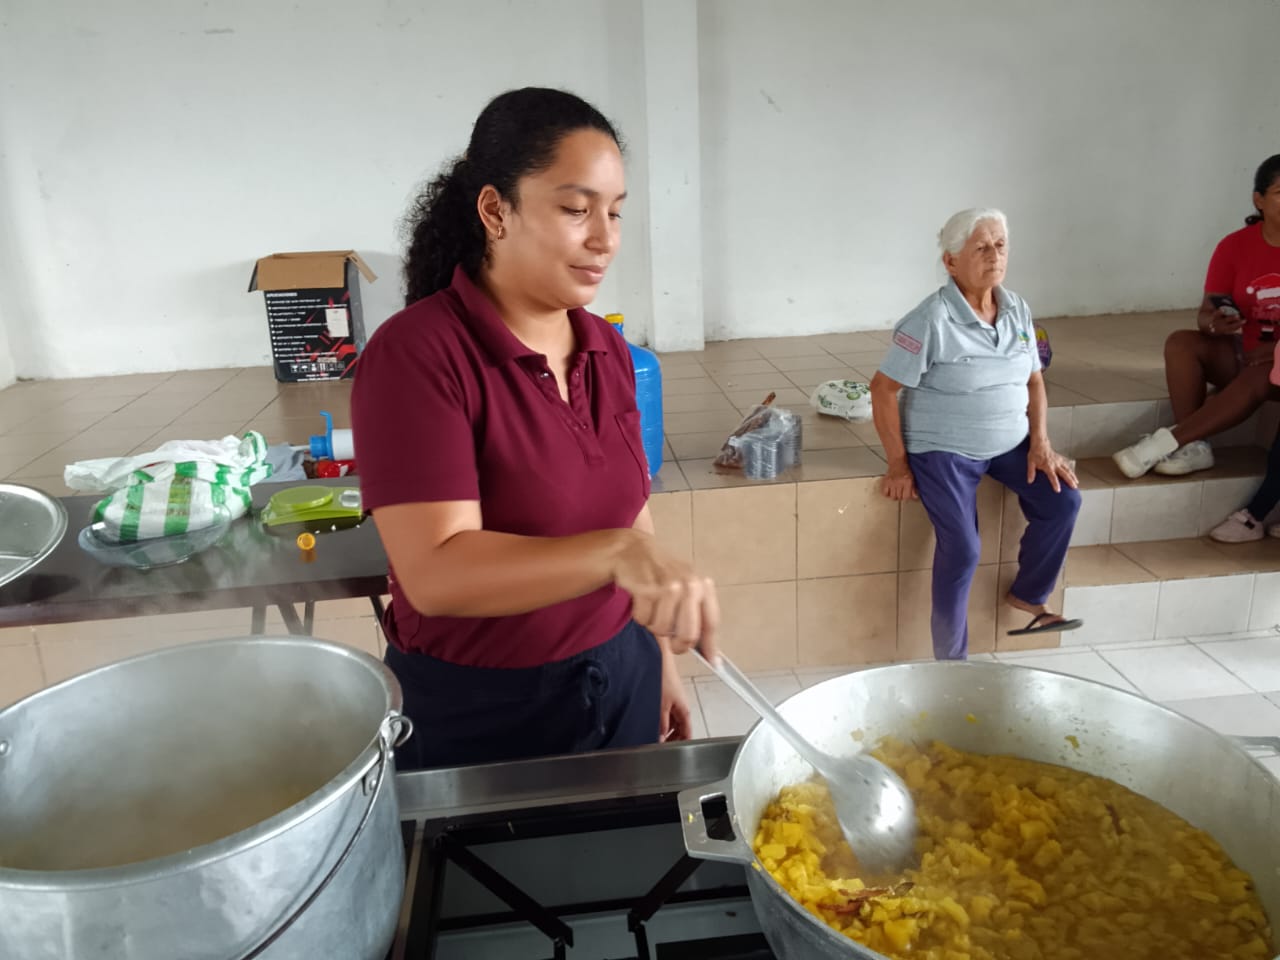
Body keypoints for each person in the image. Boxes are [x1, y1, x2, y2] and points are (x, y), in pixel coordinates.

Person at [350, 88, 720, 770]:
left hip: (620, 673)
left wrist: (658, 655)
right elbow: (434, 572)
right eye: (577, 209)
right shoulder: (419, 354)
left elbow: (629, 508)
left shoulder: (606, 350)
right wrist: (615, 554)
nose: (605, 239)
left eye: (614, 211)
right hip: (484, 714)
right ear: (496, 210)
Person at [871, 208, 1083, 660]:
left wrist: (1041, 443)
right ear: (950, 262)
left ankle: (1029, 596)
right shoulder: (929, 320)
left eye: (1000, 245)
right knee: (964, 548)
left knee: (1063, 500)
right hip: (943, 449)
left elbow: (1035, 380)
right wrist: (898, 465)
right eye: (981, 247)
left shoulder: (1016, 308)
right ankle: (952, 661)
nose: (994, 256)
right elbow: (883, 389)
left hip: (1009, 443)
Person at [1113, 154, 1280, 478]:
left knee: (1263, 373)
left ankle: (1169, 442)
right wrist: (1215, 324)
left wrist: (1276, 352)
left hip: (1272, 367)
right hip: (1247, 355)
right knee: (1181, 343)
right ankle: (1195, 447)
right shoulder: (1234, 247)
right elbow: (1206, 313)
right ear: (1258, 200)